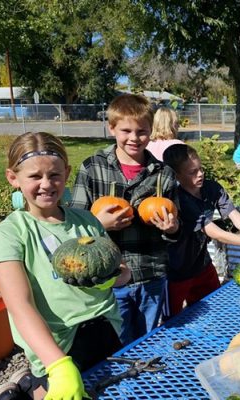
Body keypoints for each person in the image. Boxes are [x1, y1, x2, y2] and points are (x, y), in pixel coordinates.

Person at [0, 132, 131, 400]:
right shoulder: (8, 235)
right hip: (55, 345)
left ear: (67, 173)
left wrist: (111, 278)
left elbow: (122, 272)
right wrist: (58, 365)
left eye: (54, 175)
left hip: (107, 329)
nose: (46, 184)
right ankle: (30, 387)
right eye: (35, 176)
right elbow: (21, 306)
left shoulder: (87, 222)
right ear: (13, 178)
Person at [70, 93, 179, 345]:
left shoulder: (163, 175)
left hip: (151, 272)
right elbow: (74, 225)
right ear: (112, 128)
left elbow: (177, 226)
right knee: (116, 343)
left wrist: (172, 228)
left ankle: (144, 382)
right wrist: (98, 224)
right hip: (110, 276)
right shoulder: (92, 168)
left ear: (151, 130)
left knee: (147, 339)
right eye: (126, 130)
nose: (134, 138)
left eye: (142, 131)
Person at [162, 144, 240, 316]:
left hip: (202, 265)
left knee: (215, 311)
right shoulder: (179, 199)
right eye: (192, 172)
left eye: (201, 168)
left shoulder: (211, 188)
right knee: (172, 321)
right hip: (176, 272)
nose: (200, 174)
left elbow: (235, 216)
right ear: (177, 175)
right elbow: (214, 232)